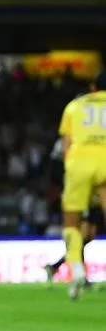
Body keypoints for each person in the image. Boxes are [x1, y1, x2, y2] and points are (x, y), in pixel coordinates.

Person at [51, 70, 106, 299]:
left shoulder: (74, 106)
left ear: (93, 86)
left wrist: (71, 175)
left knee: (71, 222)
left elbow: (66, 146)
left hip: (80, 164)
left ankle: (76, 270)